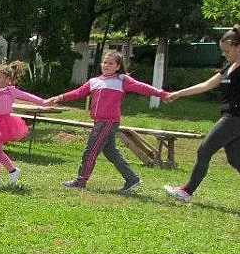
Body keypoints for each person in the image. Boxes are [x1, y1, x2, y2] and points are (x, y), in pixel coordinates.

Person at [47, 50, 168, 191]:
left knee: (90, 150)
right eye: (104, 62)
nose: (106, 65)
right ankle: (132, 179)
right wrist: (60, 97)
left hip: (108, 122)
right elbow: (78, 92)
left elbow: (142, 87)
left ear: (117, 66)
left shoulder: (122, 80)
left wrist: (161, 94)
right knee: (111, 152)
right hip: (99, 121)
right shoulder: (94, 81)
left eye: (111, 63)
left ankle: (80, 181)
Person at [163, 25, 240, 202]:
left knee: (204, 150)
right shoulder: (229, 66)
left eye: (227, 50)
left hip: (236, 118)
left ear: (238, 46)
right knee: (237, 160)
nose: (224, 54)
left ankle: (186, 191)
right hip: (231, 117)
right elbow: (206, 85)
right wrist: (178, 94)